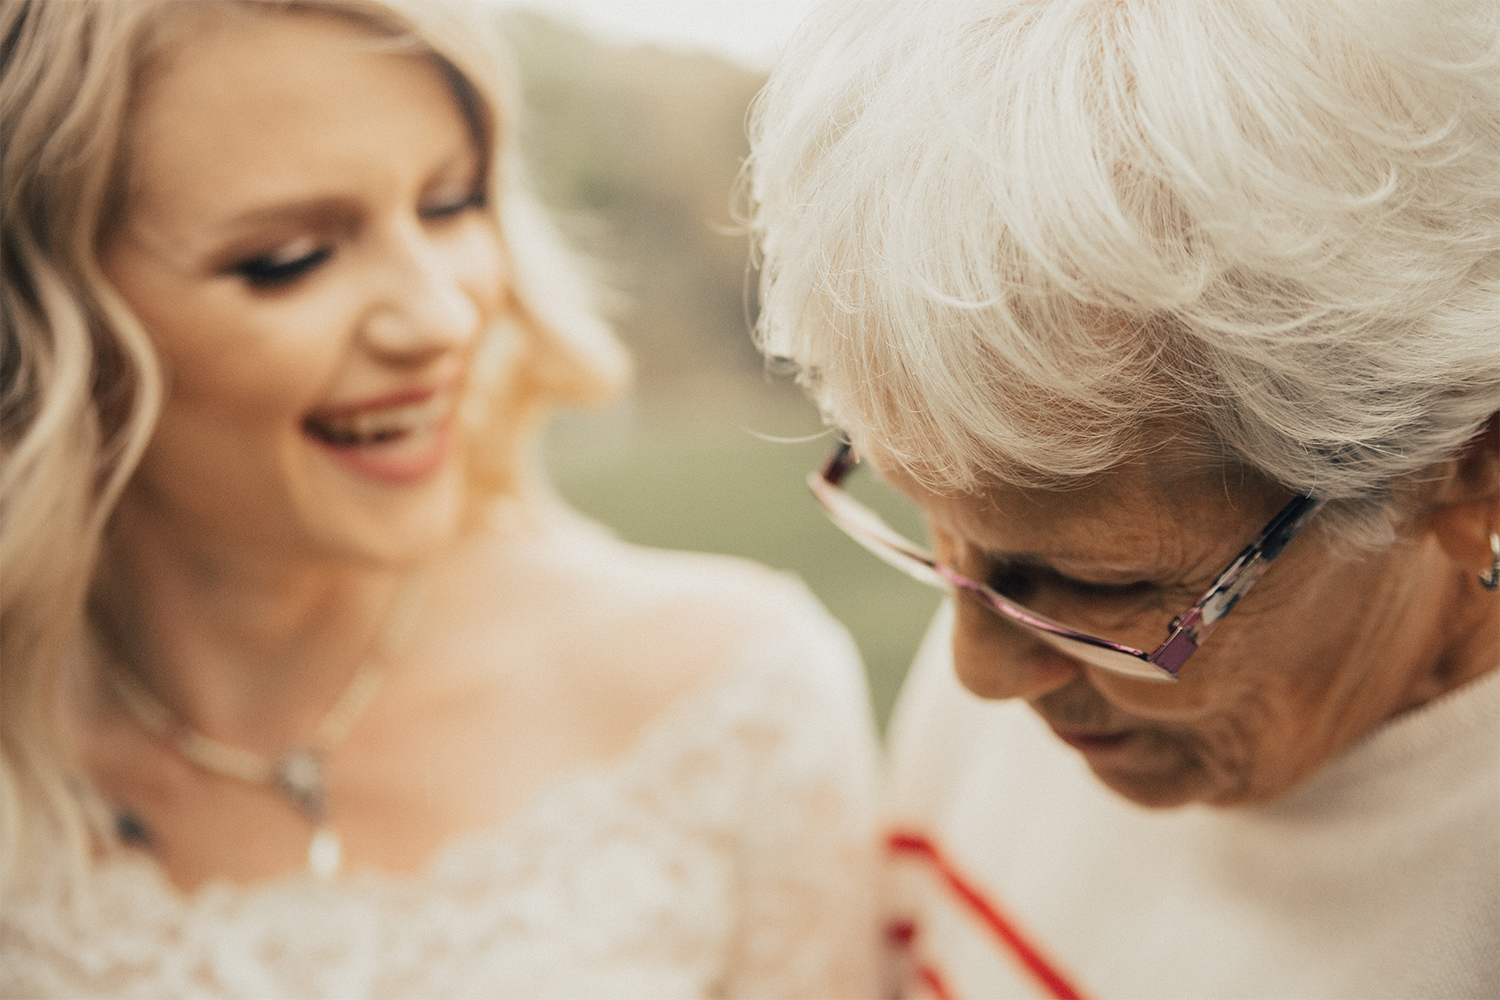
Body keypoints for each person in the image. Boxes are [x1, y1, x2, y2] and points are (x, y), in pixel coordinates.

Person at [0, 1, 882, 995]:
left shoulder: (731, 695)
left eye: (451, 203)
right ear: (44, 326)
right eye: (289, 258)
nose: (439, 314)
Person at [747, 1, 1500, 997]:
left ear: (1466, 465)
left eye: (1099, 584)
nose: (976, 672)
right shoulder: (1031, 622)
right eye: (934, 521)